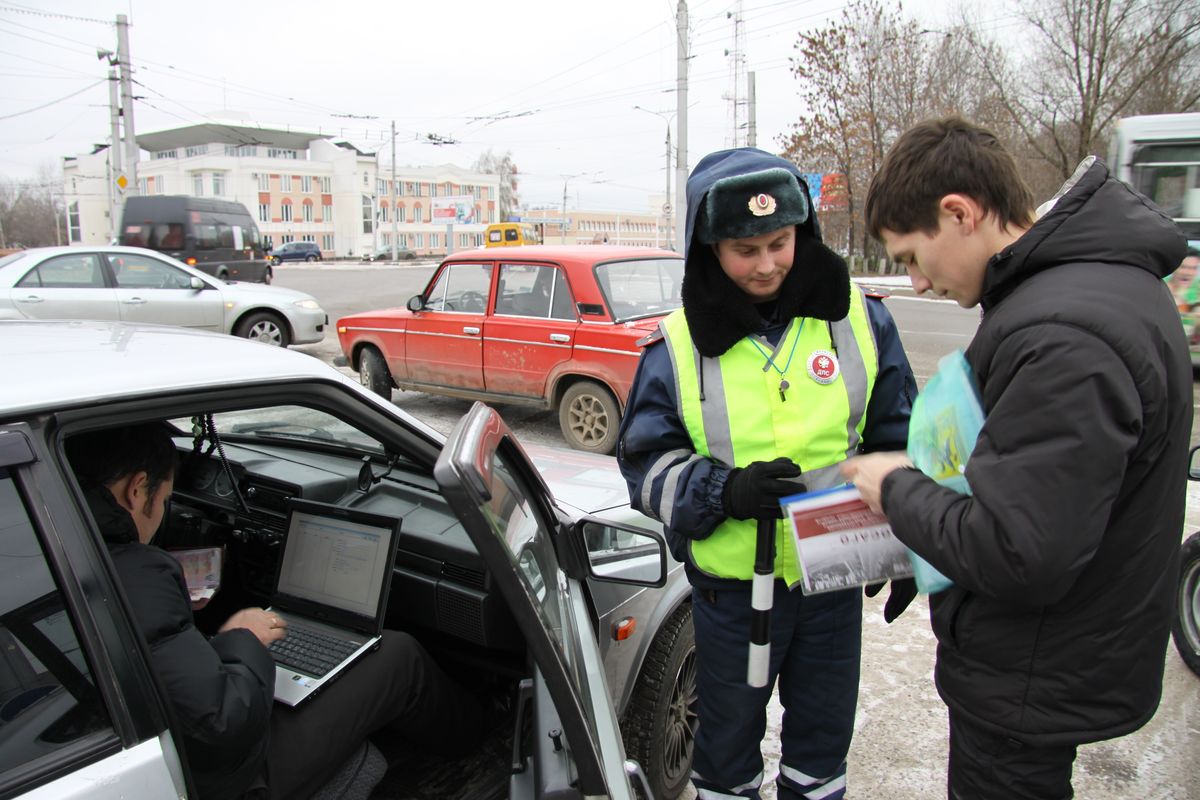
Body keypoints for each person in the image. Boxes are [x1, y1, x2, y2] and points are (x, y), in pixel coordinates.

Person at [841, 116, 1191, 800]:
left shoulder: (1062, 331)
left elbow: (1019, 551)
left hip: (1029, 675)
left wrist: (899, 491)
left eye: (912, 255)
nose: (915, 280)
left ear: (960, 213)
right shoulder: (1087, 288)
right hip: (1048, 658)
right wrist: (928, 542)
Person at [616, 147, 917, 800]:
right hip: (729, 597)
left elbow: (900, 442)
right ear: (709, 247)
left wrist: (908, 548)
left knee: (821, 747)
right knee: (726, 755)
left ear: (801, 233)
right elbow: (646, 466)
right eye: (744, 249)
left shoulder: (863, 320)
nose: (767, 264)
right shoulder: (675, 345)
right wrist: (724, 491)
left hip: (833, 583)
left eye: (779, 243)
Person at [66, 423, 483, 800]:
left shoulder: (59, 550)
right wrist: (241, 640)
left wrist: (206, 639)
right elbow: (223, 726)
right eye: (165, 499)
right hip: (234, 781)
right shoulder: (138, 570)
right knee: (399, 654)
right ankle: (482, 743)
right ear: (137, 489)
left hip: (151, 741)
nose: (161, 515)